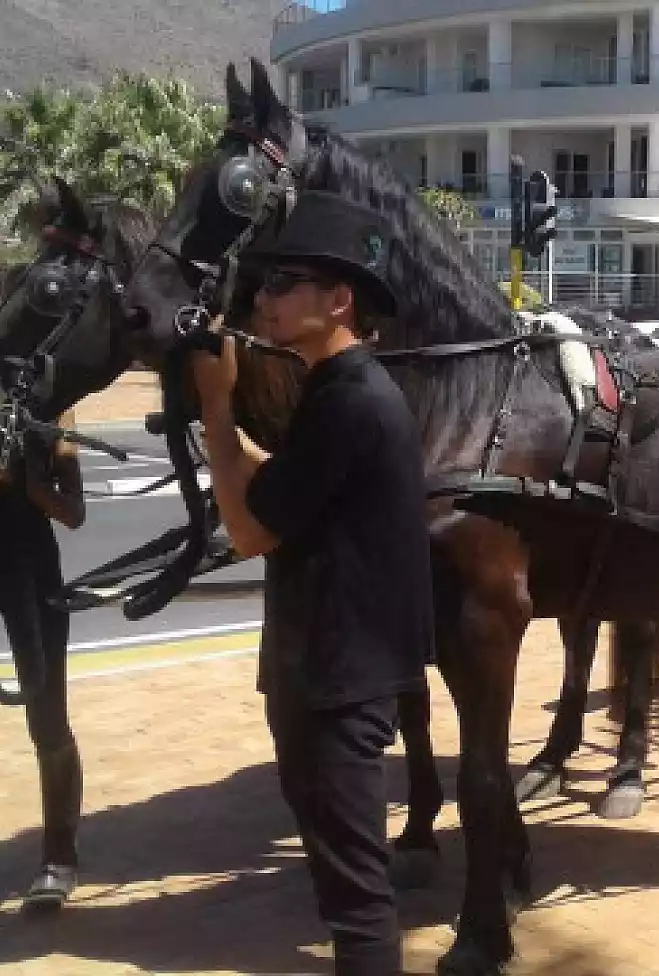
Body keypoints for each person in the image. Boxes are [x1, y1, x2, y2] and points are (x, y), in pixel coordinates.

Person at [190, 191, 434, 976]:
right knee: (345, 888)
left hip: (337, 682)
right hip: (335, 673)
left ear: (338, 301)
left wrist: (218, 408)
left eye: (282, 283)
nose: (261, 300)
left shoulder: (350, 404)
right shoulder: (342, 393)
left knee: (357, 908)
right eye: (262, 285)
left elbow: (252, 530)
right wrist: (234, 452)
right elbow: (293, 488)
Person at [0, 411, 87, 912]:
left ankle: (59, 857)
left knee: (47, 712)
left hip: (28, 567)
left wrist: (28, 484)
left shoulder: (53, 405)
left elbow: (74, 512)